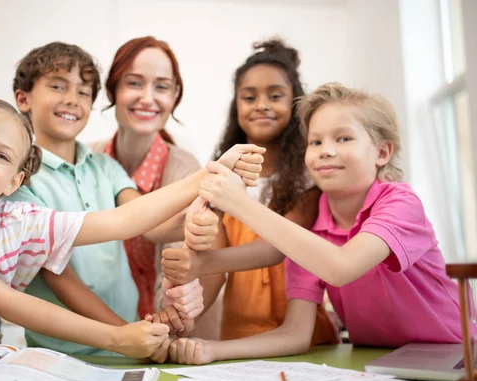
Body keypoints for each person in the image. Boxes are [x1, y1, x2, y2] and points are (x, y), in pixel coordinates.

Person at [0, 96, 264, 356]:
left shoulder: (16, 221)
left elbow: (121, 220)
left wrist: (212, 173)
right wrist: (117, 337)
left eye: (0, 154)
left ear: (14, 181)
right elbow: (4, 300)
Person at [166, 83, 462, 364]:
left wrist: (240, 203)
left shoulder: (400, 204)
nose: (325, 150)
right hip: (374, 361)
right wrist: (212, 349)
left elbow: (341, 267)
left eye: (343, 138)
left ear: (382, 153)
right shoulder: (312, 228)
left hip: (452, 355)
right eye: (315, 141)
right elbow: (294, 334)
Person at [6, 42, 212, 356]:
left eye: (83, 92)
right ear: (23, 98)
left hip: (127, 341)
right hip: (64, 350)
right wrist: (123, 333)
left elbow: (148, 222)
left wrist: (195, 220)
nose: (71, 100)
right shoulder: (19, 181)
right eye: (58, 86)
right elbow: (62, 281)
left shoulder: (105, 165)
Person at [163, 39, 338, 344]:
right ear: (236, 106)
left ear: (295, 104)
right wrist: (181, 320)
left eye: (275, 96)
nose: (262, 105)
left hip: (307, 342)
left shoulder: (309, 179)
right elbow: (213, 271)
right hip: (239, 339)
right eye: (249, 96)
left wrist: (207, 261)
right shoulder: (222, 176)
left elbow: (277, 247)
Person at [90, 36, 204, 326]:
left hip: (166, 329)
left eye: (162, 87)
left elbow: (177, 262)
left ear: (175, 95)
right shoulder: (90, 159)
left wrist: (158, 325)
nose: (147, 98)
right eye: (134, 83)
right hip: (101, 331)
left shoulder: (185, 168)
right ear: (112, 88)